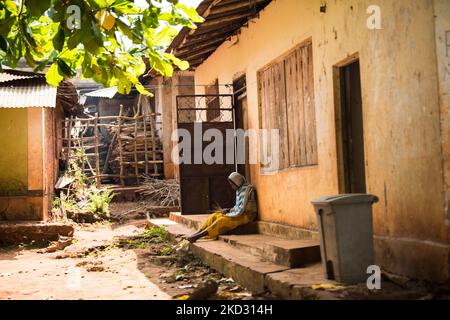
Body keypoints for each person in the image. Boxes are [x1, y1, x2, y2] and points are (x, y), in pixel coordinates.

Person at [185, 172, 257, 243]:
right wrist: (229, 210)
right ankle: (197, 232)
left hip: (246, 216)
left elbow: (247, 209)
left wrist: (232, 212)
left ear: (237, 182)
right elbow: (239, 207)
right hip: (239, 213)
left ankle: (197, 237)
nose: (232, 187)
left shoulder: (249, 190)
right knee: (213, 217)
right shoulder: (239, 190)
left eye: (232, 185)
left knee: (221, 220)